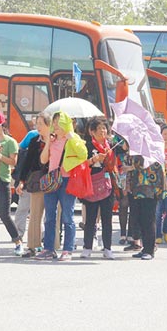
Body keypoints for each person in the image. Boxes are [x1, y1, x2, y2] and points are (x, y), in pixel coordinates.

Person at [35, 111, 87, 261]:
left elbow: (83, 154)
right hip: (52, 180)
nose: (55, 127)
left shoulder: (73, 138)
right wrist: (49, 143)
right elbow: (43, 160)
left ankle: (67, 250)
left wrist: (70, 136)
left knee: (67, 216)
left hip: (66, 180)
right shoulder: (52, 139)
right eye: (54, 124)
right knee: (49, 216)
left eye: (59, 124)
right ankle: (48, 249)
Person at [0, 111, 23, 257]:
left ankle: (18, 242)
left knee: (4, 214)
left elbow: (14, 162)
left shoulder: (10, 142)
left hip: (3, 180)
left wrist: (0, 156)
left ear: (3, 125)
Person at [80, 117, 116, 260]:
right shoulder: (87, 146)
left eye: (104, 128)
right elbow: (82, 165)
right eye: (99, 128)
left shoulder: (111, 146)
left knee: (107, 218)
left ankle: (107, 248)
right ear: (92, 132)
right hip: (92, 185)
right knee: (90, 218)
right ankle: (87, 247)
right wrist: (94, 160)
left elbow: (116, 163)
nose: (103, 131)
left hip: (108, 185)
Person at [15, 113, 48, 258]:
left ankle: (49, 245)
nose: (38, 127)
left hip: (53, 182)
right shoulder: (34, 140)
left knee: (51, 216)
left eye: (41, 124)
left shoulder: (57, 140)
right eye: (37, 124)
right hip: (36, 182)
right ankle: (32, 246)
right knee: (34, 215)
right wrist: (21, 181)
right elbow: (27, 162)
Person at [126, 157, 167, 261]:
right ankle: (145, 247)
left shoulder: (153, 149)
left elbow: (155, 167)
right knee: (138, 218)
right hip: (136, 188)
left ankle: (149, 250)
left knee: (148, 219)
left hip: (150, 189)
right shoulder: (136, 149)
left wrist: (133, 166)